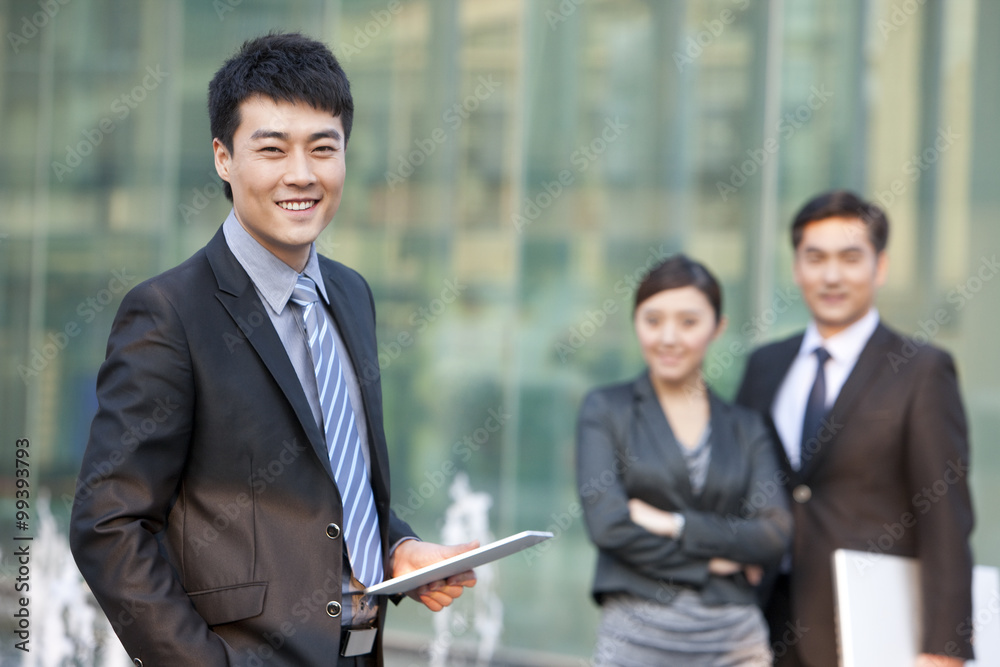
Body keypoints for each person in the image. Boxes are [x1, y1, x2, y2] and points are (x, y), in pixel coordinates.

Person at [69, 33, 476, 667]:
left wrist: (397, 549)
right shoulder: (169, 314)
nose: (302, 174)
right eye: (272, 148)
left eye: (323, 148)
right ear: (223, 158)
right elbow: (108, 525)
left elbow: (325, 478)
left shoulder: (351, 294)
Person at [735, 190, 975, 666]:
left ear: (879, 267)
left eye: (850, 258)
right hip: (759, 625)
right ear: (797, 267)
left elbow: (946, 518)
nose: (831, 276)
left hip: (869, 623)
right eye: (815, 258)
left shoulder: (922, 371)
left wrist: (945, 646)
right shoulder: (765, 366)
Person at [576, 254, 793, 665]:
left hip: (735, 643)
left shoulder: (747, 427)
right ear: (635, 321)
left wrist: (674, 524)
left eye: (688, 322)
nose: (668, 337)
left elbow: (773, 536)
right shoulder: (607, 409)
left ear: (718, 327)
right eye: (653, 320)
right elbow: (608, 526)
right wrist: (715, 560)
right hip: (637, 637)